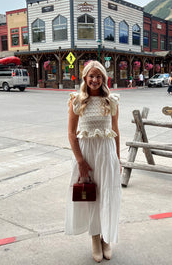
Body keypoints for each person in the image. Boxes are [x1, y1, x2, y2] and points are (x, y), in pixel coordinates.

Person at [65, 61, 121, 263]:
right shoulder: (77, 100)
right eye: (91, 76)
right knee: (91, 197)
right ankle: (95, 239)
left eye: (99, 76)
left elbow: (115, 132)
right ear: (85, 78)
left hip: (106, 154)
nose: (95, 80)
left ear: (104, 79)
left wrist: (118, 158)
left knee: (107, 195)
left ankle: (106, 238)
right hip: (86, 155)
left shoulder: (111, 101)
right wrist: (80, 161)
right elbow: (71, 134)